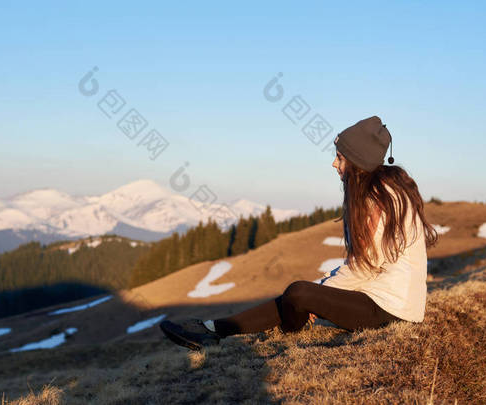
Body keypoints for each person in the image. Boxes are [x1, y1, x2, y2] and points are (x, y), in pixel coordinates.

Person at [159, 115, 440, 351]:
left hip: (390, 310)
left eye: (340, 157)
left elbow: (364, 268)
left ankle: (274, 328)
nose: (334, 163)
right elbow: (364, 265)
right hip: (385, 301)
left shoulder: (375, 199)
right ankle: (214, 330)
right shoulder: (382, 190)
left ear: (356, 162)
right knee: (301, 293)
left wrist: (318, 295)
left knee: (299, 293)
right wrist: (320, 291)